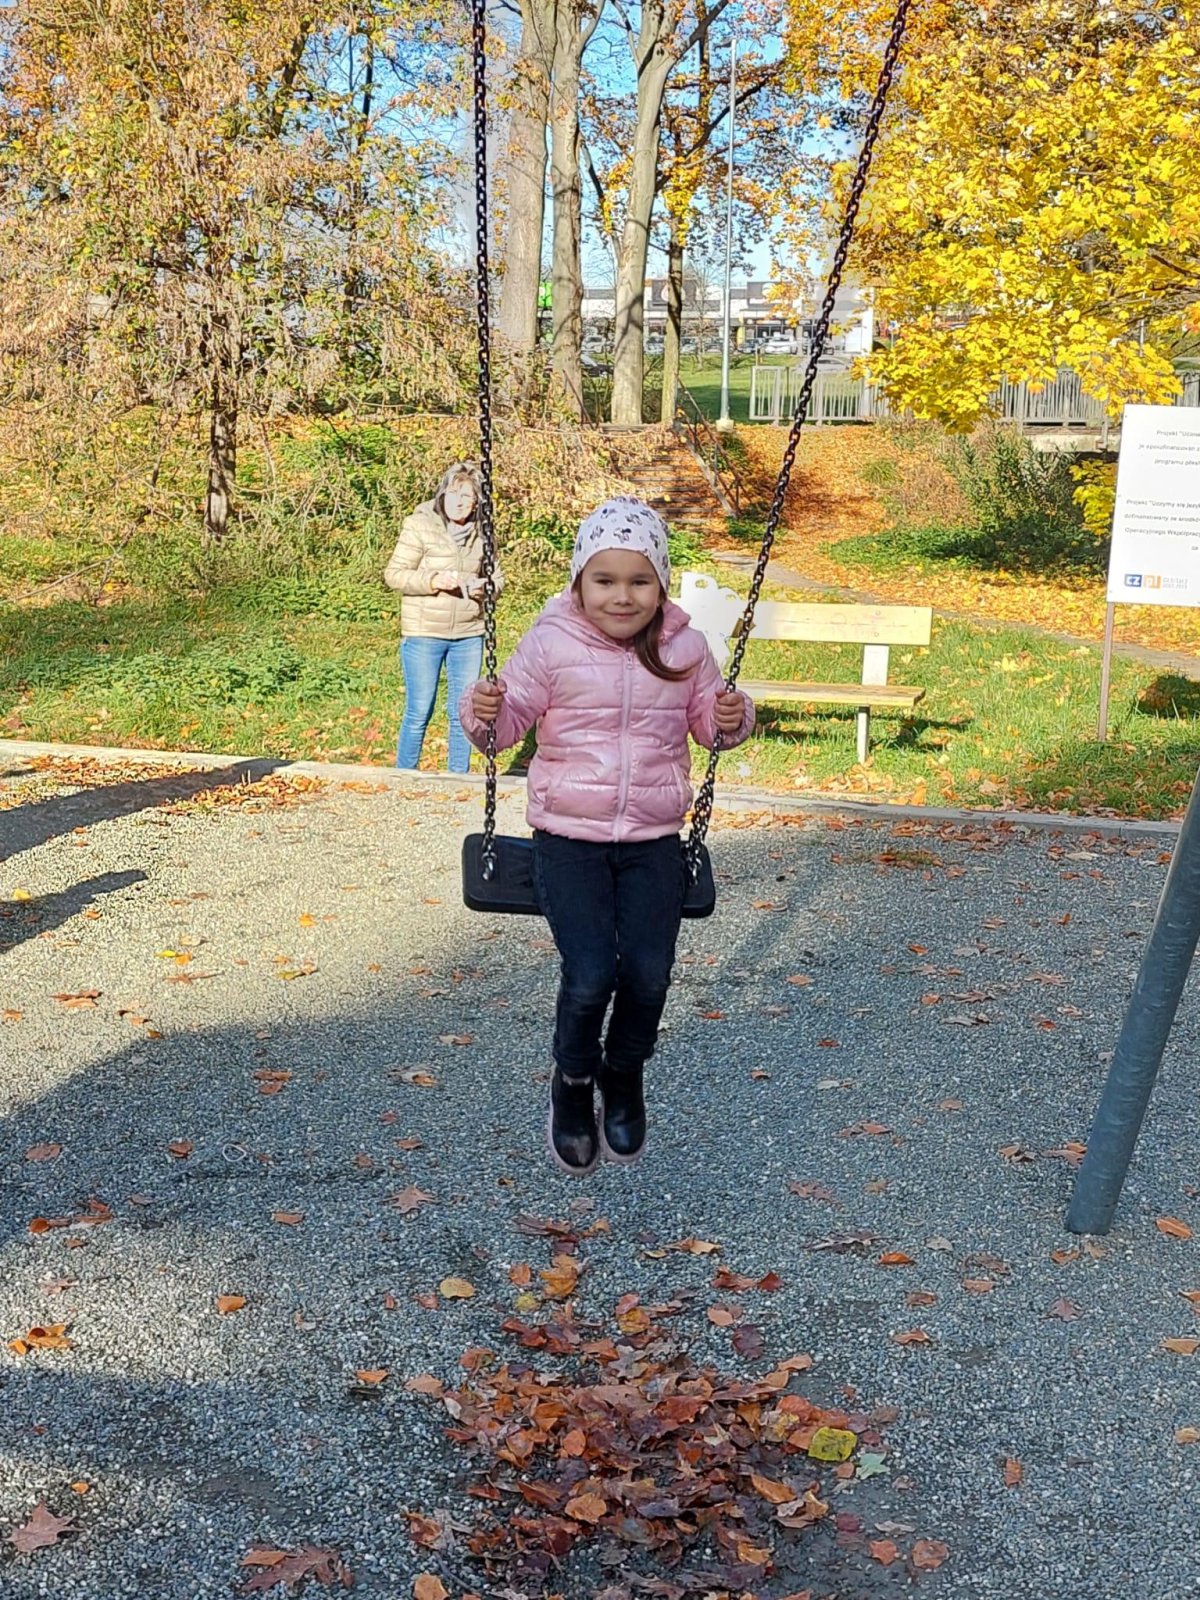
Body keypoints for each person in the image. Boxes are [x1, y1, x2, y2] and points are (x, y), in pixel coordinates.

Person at [461, 497, 754, 1176]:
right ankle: (571, 1081)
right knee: (592, 973)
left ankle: (622, 1074)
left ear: (661, 584)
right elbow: (502, 731)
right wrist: (483, 712)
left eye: (640, 580)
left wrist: (732, 717)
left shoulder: (685, 647)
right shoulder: (551, 642)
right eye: (605, 580)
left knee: (648, 974)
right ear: (579, 582)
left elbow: (712, 729)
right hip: (568, 837)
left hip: (653, 838)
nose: (623, 596)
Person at [384, 461, 503, 774]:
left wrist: (485, 588)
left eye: (466, 497)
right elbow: (394, 574)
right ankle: (405, 777)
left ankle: (458, 779)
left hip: (469, 633)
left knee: (462, 713)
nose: (458, 503)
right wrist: (434, 580)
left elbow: (498, 579)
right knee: (419, 710)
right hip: (424, 632)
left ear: (476, 502)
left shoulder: (484, 531)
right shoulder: (420, 525)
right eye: (453, 494)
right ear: (442, 495)